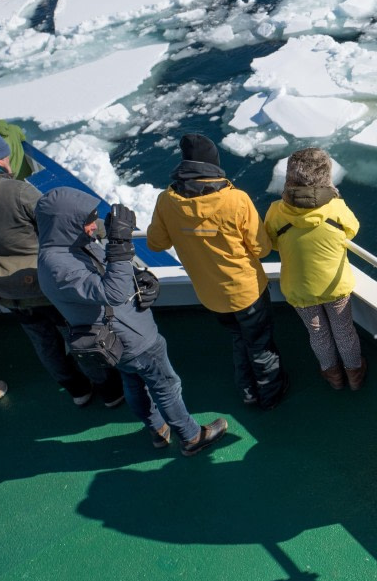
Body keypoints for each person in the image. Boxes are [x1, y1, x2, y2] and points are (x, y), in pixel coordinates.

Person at [36, 187, 228, 456]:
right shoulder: (58, 266)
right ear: (66, 223)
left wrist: (141, 277)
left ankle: (158, 430)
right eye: (87, 221)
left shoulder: (69, 244)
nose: (93, 226)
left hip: (119, 339)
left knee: (134, 382)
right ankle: (192, 436)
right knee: (166, 384)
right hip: (132, 337)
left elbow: (108, 272)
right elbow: (112, 293)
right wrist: (120, 245)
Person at [0, 125, 123, 408]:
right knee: (78, 336)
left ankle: (77, 390)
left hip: (6, 290)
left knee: (43, 342)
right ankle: (109, 391)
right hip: (46, 282)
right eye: (6, 158)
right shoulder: (17, 191)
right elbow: (61, 225)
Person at [146, 133, 288, 410]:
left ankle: (247, 393)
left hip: (210, 294)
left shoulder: (167, 200)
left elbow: (156, 243)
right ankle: (270, 394)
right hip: (246, 291)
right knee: (259, 342)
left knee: (238, 338)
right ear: (214, 164)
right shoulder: (235, 200)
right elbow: (260, 248)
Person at [264, 148, 365, 389]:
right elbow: (352, 230)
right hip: (335, 285)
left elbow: (273, 243)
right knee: (344, 332)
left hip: (299, 290)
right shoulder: (336, 208)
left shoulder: (276, 212)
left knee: (318, 334)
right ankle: (354, 375)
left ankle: (333, 377)